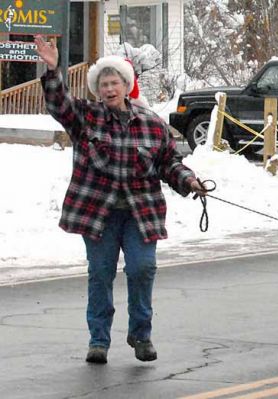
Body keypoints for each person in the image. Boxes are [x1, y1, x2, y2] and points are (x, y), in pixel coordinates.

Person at [33, 35, 208, 364]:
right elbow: (59, 105)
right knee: (100, 273)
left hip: (140, 213)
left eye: (114, 83)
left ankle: (141, 335)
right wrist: (53, 68)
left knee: (142, 269)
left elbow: (168, 163)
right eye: (103, 85)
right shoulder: (86, 118)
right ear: (98, 91)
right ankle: (98, 340)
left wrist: (189, 181)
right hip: (98, 214)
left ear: (126, 87)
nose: (109, 89)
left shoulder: (153, 125)